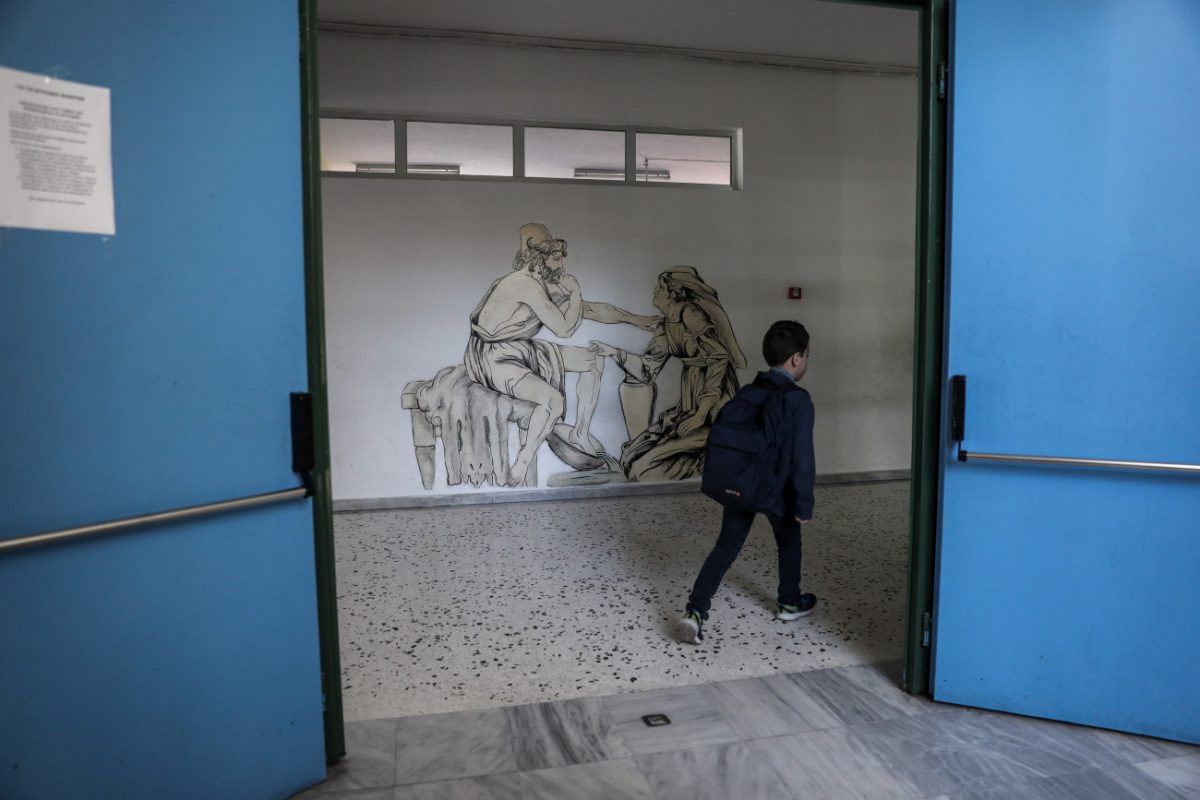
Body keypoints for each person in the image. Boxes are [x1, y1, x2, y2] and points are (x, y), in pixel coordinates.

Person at [465, 223, 655, 486]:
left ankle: (580, 433)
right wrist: (575, 292)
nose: (562, 264)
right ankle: (522, 461)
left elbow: (591, 310)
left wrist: (637, 321)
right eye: (556, 258)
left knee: (592, 359)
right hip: (492, 357)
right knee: (553, 401)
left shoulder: (542, 283)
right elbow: (564, 329)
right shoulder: (523, 285)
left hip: (520, 348)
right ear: (538, 258)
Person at [676, 320, 816, 644]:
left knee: (726, 547)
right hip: (778, 491)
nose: (806, 361)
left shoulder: (748, 392)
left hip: (743, 483)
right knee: (789, 544)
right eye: (807, 356)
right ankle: (789, 602)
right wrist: (803, 505)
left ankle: (695, 611)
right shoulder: (798, 400)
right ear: (796, 358)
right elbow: (802, 459)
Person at [589, 266, 746, 482]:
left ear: (674, 293)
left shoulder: (691, 314)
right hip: (690, 396)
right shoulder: (665, 324)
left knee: (641, 471)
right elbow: (647, 369)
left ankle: (715, 460)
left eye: (660, 288)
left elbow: (718, 359)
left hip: (714, 397)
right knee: (628, 458)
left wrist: (701, 414)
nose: (654, 292)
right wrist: (614, 353)